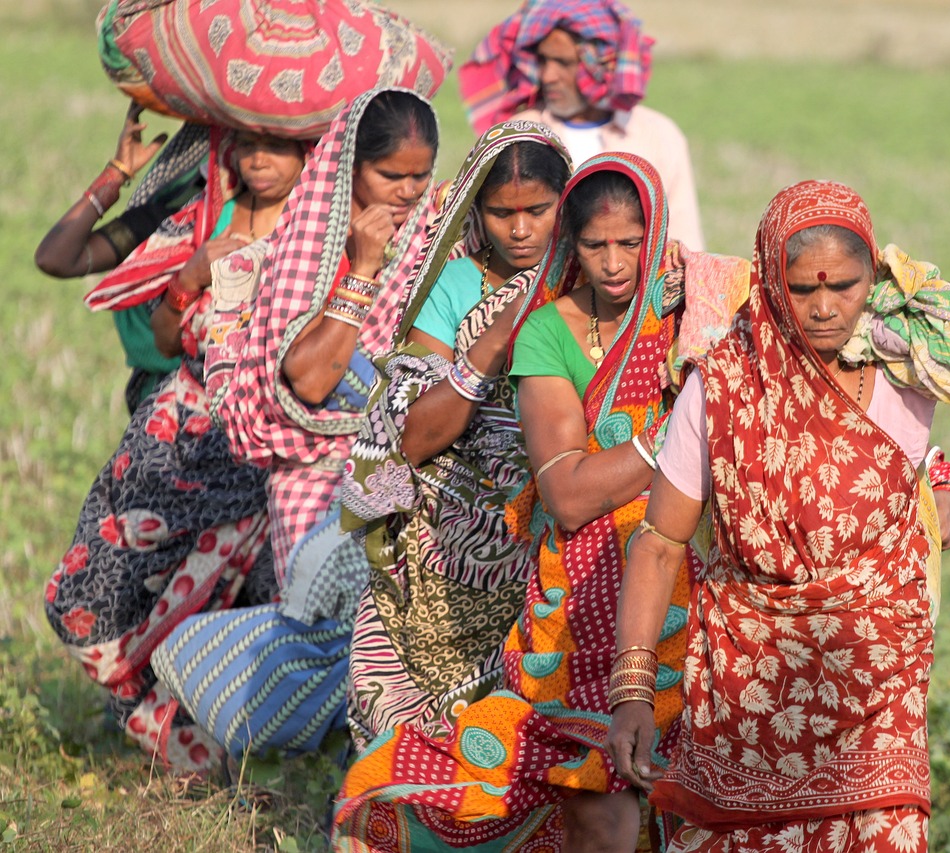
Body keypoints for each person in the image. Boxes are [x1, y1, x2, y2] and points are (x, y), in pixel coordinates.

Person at [605, 180, 950, 851]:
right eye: (802, 289)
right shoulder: (721, 385)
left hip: (877, 697)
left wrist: (938, 296)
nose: (825, 308)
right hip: (748, 697)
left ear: (874, 280)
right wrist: (631, 691)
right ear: (770, 281)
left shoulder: (906, 364)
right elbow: (661, 542)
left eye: (846, 286)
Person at [333, 152, 748, 852]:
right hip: (582, 593)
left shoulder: (697, 311)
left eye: (630, 243)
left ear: (655, 236)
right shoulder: (547, 330)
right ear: (571, 245)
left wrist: (932, 470)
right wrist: (682, 434)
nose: (613, 264)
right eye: (594, 244)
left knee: (689, 792)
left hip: (689, 577)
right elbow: (569, 493)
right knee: (592, 796)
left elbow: (821, 329)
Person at [151, 88, 442, 765]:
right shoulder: (308, 246)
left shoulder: (432, 239)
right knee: (333, 630)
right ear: (349, 167)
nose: (406, 192)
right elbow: (308, 381)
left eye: (420, 176)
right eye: (390, 175)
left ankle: (381, 778)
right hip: (312, 473)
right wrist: (363, 271)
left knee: (399, 636)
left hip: (403, 463)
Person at [44, 127, 308, 774]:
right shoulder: (199, 215)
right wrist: (190, 274)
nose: (259, 159)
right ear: (228, 147)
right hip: (169, 448)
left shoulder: (320, 234)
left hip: (263, 457)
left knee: (245, 606)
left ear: (310, 149)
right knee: (90, 596)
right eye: (247, 144)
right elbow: (162, 337)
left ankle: (235, 760)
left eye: (277, 144)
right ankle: (165, 726)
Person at [341, 121, 572, 750]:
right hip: (447, 528)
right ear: (476, 208)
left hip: (552, 515)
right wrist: (494, 340)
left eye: (538, 211)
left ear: (568, 202)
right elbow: (414, 437)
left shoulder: (596, 279)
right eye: (501, 214)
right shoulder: (457, 283)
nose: (520, 231)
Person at [459, 0, 705, 250]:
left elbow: (685, 244)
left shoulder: (659, 135)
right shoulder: (519, 133)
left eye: (563, 63)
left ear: (599, 66)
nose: (548, 76)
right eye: (543, 61)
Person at [36, 100, 208, 410]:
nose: (255, 159)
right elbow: (56, 258)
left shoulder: (288, 228)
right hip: (160, 409)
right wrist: (117, 172)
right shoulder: (164, 220)